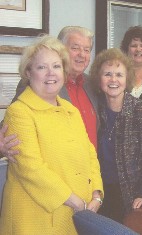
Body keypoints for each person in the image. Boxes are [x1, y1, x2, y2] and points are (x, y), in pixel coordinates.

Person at [0, 35, 103, 235]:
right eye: (41, 67)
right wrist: (77, 202)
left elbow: (90, 153)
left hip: (74, 214)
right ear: (28, 72)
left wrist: (97, 194)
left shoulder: (70, 109)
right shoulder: (19, 112)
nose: (50, 73)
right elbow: (31, 168)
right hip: (35, 219)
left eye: (56, 66)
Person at [89, 48, 142, 222]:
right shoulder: (94, 108)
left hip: (135, 197)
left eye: (119, 74)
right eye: (107, 74)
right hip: (100, 193)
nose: (113, 80)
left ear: (127, 78)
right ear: (98, 78)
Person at [0, 26, 98, 159]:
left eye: (87, 50)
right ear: (59, 50)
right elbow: (9, 126)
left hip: (88, 171)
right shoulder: (36, 83)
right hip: (50, 170)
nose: (82, 54)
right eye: (75, 48)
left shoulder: (93, 84)